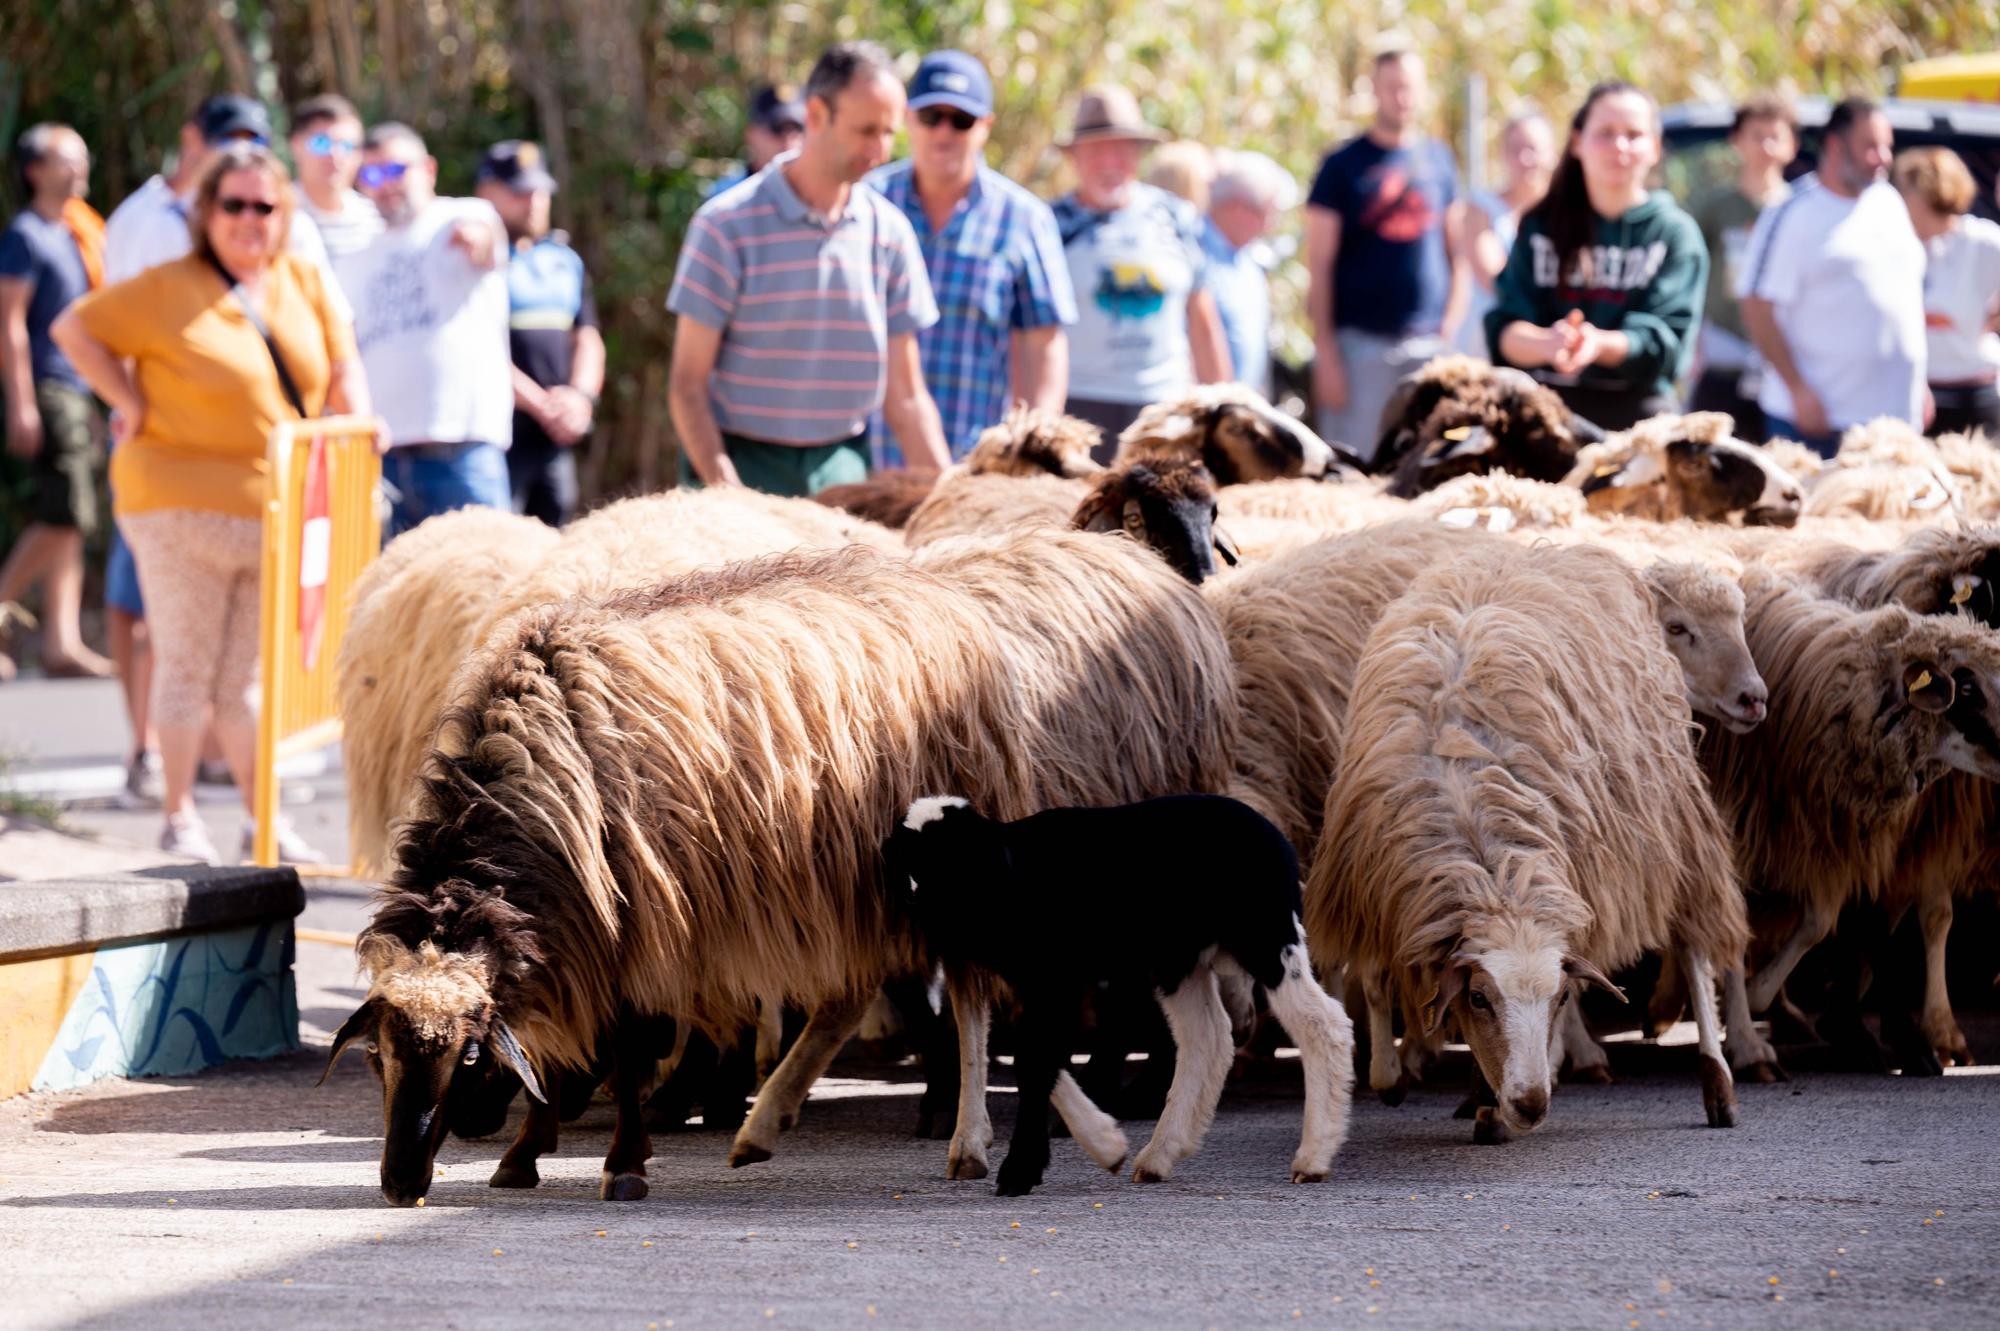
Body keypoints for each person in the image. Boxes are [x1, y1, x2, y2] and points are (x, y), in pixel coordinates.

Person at [52, 144, 373, 863]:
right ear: (207, 212)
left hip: (280, 512)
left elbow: (344, 366)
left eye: (265, 205)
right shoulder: (168, 285)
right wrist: (127, 400)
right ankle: (179, 814)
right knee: (187, 665)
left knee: (246, 683)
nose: (250, 219)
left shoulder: (303, 280)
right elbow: (73, 330)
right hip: (177, 506)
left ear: (283, 212)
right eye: (234, 204)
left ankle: (263, 820)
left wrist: (357, 427)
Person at [667, 41, 950, 496]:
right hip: (739, 465)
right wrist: (728, 496)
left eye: (888, 133)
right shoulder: (725, 226)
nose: (879, 151)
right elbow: (687, 386)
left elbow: (908, 398)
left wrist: (953, 504)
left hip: (843, 471)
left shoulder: (890, 234)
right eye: (866, 131)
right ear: (816, 114)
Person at [865, 49, 1076, 464]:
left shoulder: (1024, 219)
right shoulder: (869, 202)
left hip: (971, 467)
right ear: (908, 118)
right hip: (865, 459)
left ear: (985, 128)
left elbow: (1043, 344)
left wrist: (1034, 449)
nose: (944, 132)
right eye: (931, 117)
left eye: (961, 120)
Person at [1487, 81, 1708, 432]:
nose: (1619, 146)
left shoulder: (1673, 234)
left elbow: (1666, 344)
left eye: (1634, 134)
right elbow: (1505, 328)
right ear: (1577, 142)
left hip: (1637, 416)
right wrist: (1549, 343)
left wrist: (1599, 345)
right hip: (1544, 410)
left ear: (1654, 147)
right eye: (1605, 133)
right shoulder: (1542, 225)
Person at [339, 122, 513, 536]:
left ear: (429, 170)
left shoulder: (463, 215)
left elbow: (488, 242)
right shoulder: (353, 258)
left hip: (462, 447)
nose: (386, 185)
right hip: (381, 459)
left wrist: (477, 242)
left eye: (397, 170)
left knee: (485, 585)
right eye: (373, 175)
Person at [1738, 97, 1927, 455]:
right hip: (1817, 426)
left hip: (1895, 426)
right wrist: (1797, 389)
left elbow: (1904, 298)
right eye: (1871, 146)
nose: (1885, 157)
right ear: (1836, 146)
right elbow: (1756, 305)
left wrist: (1918, 384)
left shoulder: (1889, 201)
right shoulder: (1792, 213)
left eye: (1887, 146)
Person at [1306, 47, 1467, 460]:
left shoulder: (1439, 160)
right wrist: (1326, 353)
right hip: (1360, 348)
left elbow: (1457, 250)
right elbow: (1319, 264)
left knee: (1424, 463)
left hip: (1427, 345)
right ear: (1374, 91)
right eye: (1392, 87)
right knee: (1355, 462)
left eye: (1409, 87)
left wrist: (1449, 330)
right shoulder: (1342, 166)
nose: (1401, 97)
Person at [1053, 85, 1231, 453]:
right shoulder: (1052, 226)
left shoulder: (1175, 218)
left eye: (1121, 149)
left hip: (1163, 405)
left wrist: (1223, 406)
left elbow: (1202, 318)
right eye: (1097, 150)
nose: (1109, 162)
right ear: (1075, 157)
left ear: (1138, 154)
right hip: (1079, 406)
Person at [0, 124, 112, 682]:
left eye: (82, 156)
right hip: (45, 384)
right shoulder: (26, 235)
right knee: (65, 512)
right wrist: (20, 401)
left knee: (69, 515)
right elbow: (10, 320)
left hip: (77, 387)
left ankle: (61, 643)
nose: (78, 167)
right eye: (65, 159)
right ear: (34, 171)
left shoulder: (75, 233)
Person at [475, 140, 604, 525]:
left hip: (554, 439)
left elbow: (588, 337)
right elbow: (478, 348)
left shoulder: (564, 259)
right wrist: (541, 404)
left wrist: (580, 399)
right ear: (486, 193)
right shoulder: (476, 261)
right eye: (518, 191)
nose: (532, 201)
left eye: (539, 191)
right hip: (500, 437)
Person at [1687, 96, 1797, 441]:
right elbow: (1693, 274)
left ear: (1791, 145)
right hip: (1723, 347)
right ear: (1736, 141)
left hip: (1783, 352)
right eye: (1756, 135)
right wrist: (1695, 343)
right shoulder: (1716, 207)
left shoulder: (1799, 208)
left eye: (1774, 136)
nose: (1765, 146)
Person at [1893, 146, 2000, 438]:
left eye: (1907, 191)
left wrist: (1993, 318)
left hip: (1975, 391)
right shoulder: (1899, 245)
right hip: (1917, 394)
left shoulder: (1982, 240)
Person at [1451, 110, 1557, 360]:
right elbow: (1497, 280)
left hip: (1548, 345)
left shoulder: (1567, 214)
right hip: (1489, 343)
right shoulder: (1481, 207)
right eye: (1515, 149)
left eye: (1533, 149)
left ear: (1553, 154)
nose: (1525, 159)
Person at [1201, 149, 1299, 400]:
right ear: (1238, 209)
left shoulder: (1249, 260)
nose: (1271, 226)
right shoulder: (1193, 255)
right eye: (1267, 214)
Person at [287, 93, 382, 265]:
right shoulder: (273, 212)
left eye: (347, 146)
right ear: (295, 145)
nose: (335, 154)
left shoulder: (376, 220)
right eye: (322, 143)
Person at [706, 85, 807, 198]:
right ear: (751, 134)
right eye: (778, 129)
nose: (789, 140)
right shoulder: (725, 198)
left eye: (798, 129)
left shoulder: (818, 197)